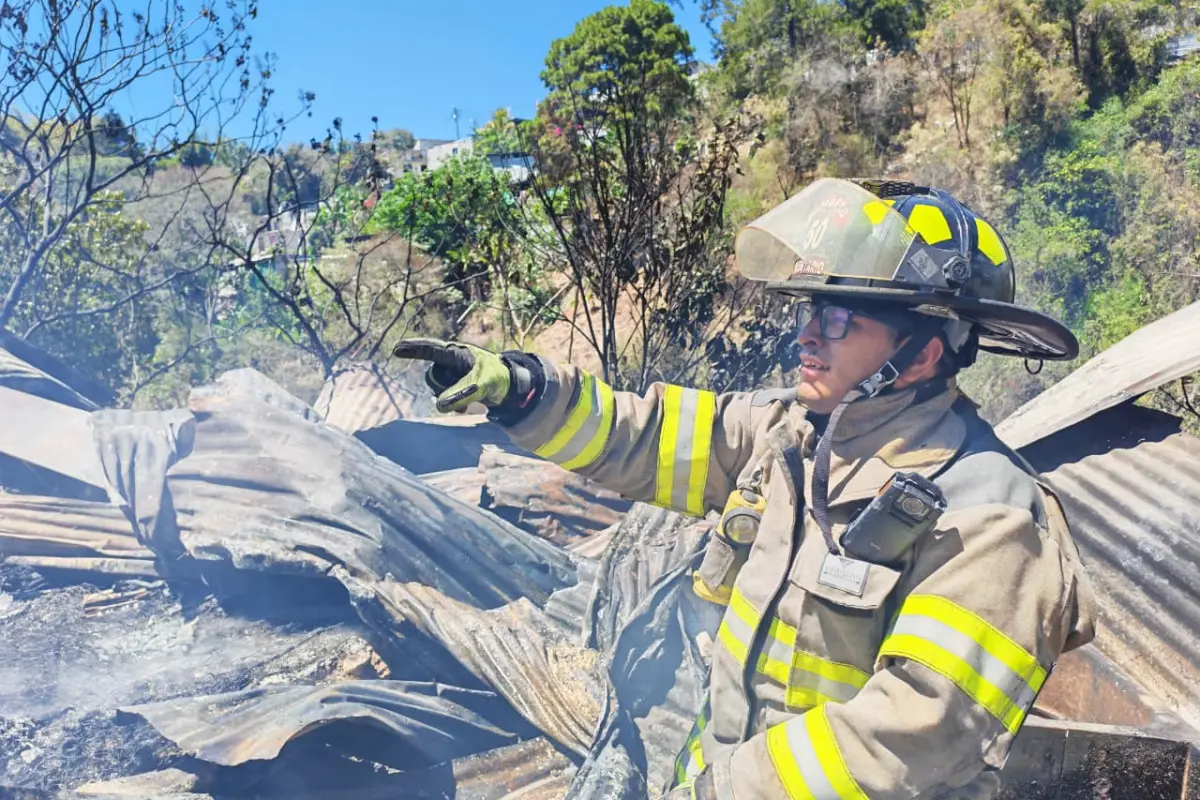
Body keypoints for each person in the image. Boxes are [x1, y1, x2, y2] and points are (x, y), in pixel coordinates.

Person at [393, 178, 1097, 800]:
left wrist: (723, 791)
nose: (808, 336)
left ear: (923, 355)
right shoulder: (789, 436)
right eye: (811, 311)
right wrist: (523, 392)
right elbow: (645, 437)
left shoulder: (992, 516)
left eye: (839, 318)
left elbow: (917, 732)